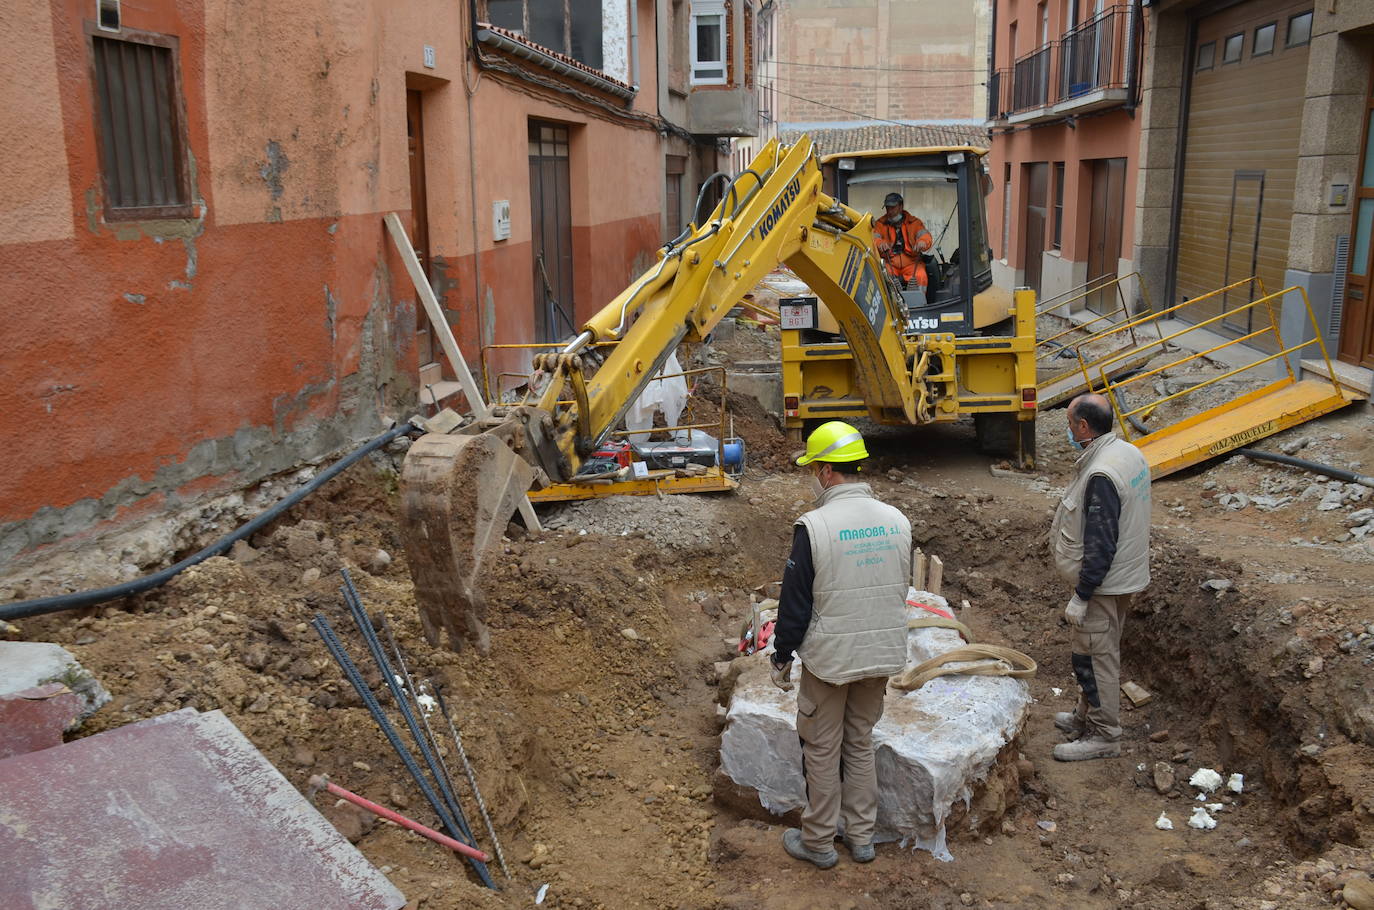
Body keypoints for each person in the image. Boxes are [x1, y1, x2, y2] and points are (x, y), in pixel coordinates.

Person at [768, 421, 911, 868]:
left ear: (828, 471)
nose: (814, 476)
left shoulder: (814, 527)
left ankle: (818, 842)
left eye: (815, 468)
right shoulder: (897, 520)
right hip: (880, 653)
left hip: (830, 660)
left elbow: (794, 605)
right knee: (860, 741)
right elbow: (896, 588)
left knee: (823, 747)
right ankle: (862, 838)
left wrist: (782, 654)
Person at [1049, 393, 1152, 761]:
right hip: (1123, 575)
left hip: (1103, 584)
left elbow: (1100, 542)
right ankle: (1084, 715)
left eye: (1069, 424)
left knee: (1096, 658)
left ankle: (1106, 735)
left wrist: (1083, 594)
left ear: (1082, 426)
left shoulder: (1102, 474)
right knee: (1091, 652)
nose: (1068, 430)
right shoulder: (1126, 453)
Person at [872, 192, 934, 291]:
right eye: (888, 208)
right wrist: (880, 243)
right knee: (882, 274)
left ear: (901, 207)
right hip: (889, 263)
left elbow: (925, 236)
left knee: (920, 275)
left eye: (893, 207)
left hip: (911, 263)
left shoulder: (914, 223)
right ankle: (890, 304)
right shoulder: (879, 224)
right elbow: (873, 238)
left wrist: (922, 241)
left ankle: (919, 303)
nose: (890, 211)